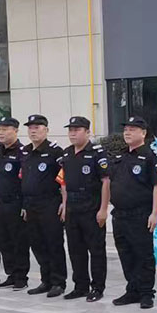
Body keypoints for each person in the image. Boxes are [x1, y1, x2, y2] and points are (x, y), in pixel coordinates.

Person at [109, 116, 157, 308]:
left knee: (143, 254)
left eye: (132, 129)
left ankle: (147, 292)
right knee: (125, 254)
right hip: (119, 214)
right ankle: (132, 290)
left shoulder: (150, 157)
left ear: (143, 133)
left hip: (140, 214)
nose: (127, 133)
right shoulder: (119, 156)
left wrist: (154, 213)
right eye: (126, 129)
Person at [59, 116, 109, 302]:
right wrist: (65, 205)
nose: (72, 133)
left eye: (77, 130)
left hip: (91, 206)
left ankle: (97, 287)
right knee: (75, 249)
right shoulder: (66, 154)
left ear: (87, 132)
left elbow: (106, 182)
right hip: (72, 207)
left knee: (96, 250)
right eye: (70, 130)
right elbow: (64, 183)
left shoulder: (97, 153)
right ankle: (80, 286)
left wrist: (103, 209)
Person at [20, 114, 66, 298]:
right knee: (37, 244)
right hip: (31, 204)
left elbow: (64, 179)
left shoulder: (55, 152)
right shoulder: (25, 151)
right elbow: (24, 179)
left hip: (49, 204)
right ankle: (45, 280)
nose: (33, 131)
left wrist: (64, 203)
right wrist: (24, 205)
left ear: (46, 130)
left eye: (37, 127)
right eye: (30, 128)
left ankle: (58, 282)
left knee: (53, 243)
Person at [0, 117, 29, 290]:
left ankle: (21, 277)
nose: (1, 133)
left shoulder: (23, 152)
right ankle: (11, 274)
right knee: (3, 240)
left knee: (18, 241)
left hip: (15, 203)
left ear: (15, 131)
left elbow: (25, 180)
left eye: (5, 129)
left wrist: (25, 204)